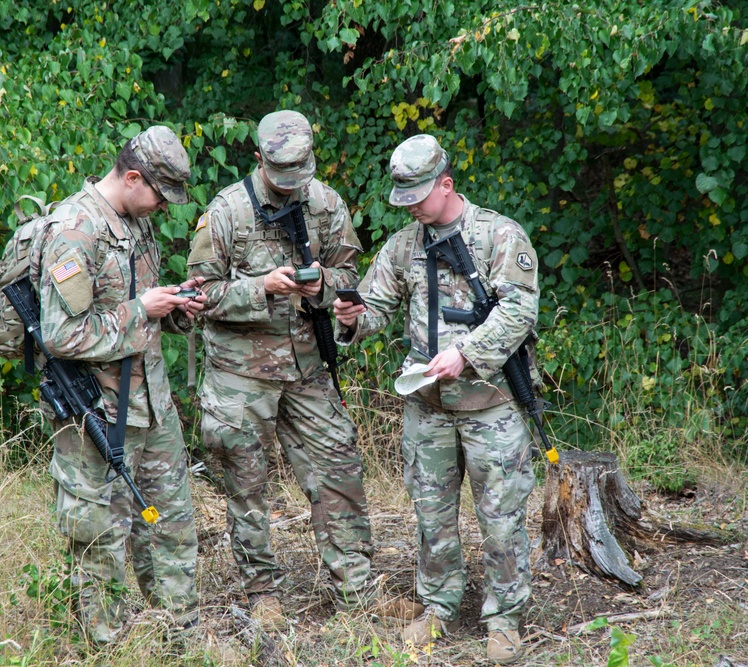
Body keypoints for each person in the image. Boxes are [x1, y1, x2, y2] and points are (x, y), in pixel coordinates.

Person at [185, 110, 422, 630]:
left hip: (307, 365)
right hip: (240, 373)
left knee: (338, 467)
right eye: (281, 173)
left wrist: (323, 288)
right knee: (247, 484)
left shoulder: (325, 202)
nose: (293, 185)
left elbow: (349, 276)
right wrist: (261, 287)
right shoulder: (226, 211)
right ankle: (261, 593)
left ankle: (356, 589)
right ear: (258, 160)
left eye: (301, 171)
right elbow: (197, 296)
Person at [333, 134, 540, 664]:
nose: (412, 209)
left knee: (501, 518)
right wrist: (353, 319)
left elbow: (518, 313)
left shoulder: (498, 236)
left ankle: (504, 617)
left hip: (490, 406)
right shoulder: (406, 244)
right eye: (403, 200)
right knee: (432, 516)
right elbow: (376, 306)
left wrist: (466, 353)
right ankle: (439, 605)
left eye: (419, 197)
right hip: (427, 408)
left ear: (446, 185)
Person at [37, 125, 205, 643]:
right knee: (100, 539)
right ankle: (104, 647)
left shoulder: (136, 225)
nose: (164, 207)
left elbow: (140, 311)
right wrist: (141, 309)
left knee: (170, 525)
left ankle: (181, 638)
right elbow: (61, 335)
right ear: (132, 177)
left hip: (152, 409)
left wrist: (175, 305)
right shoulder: (74, 230)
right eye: (160, 195)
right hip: (96, 417)